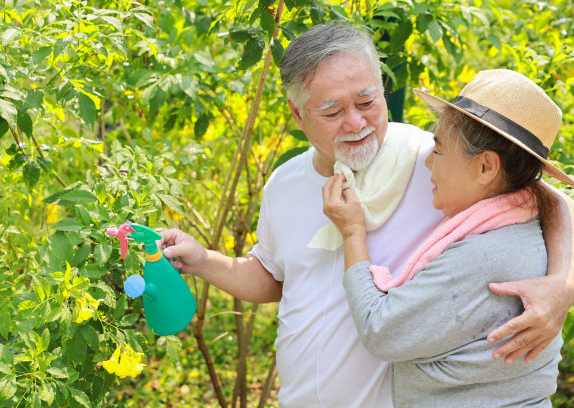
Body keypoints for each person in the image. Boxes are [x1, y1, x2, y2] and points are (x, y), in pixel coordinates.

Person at [157, 22, 574, 407]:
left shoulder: (433, 160)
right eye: (333, 112)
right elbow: (273, 277)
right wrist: (205, 260)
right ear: (298, 113)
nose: (356, 122)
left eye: (367, 101)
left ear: (382, 85)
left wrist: (562, 285)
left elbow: (550, 199)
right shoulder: (283, 183)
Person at [323, 68, 573, 407]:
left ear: (486, 167)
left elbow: (380, 330)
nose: (427, 162)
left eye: (438, 150)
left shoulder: (485, 254)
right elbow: (554, 196)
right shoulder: (526, 220)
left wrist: (353, 232)